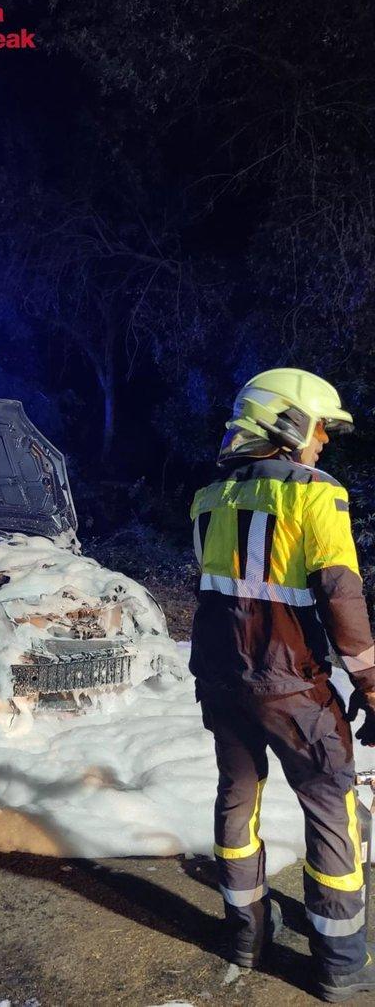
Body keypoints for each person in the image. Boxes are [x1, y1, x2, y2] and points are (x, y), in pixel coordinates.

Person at [190, 367, 375, 1002]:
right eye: (320, 428)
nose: (323, 442)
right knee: (331, 807)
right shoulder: (316, 494)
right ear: (288, 423)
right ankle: (341, 965)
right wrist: (371, 687)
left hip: (222, 683)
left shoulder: (208, 497)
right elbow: (342, 600)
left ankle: (246, 936)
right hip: (293, 688)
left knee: (236, 799)